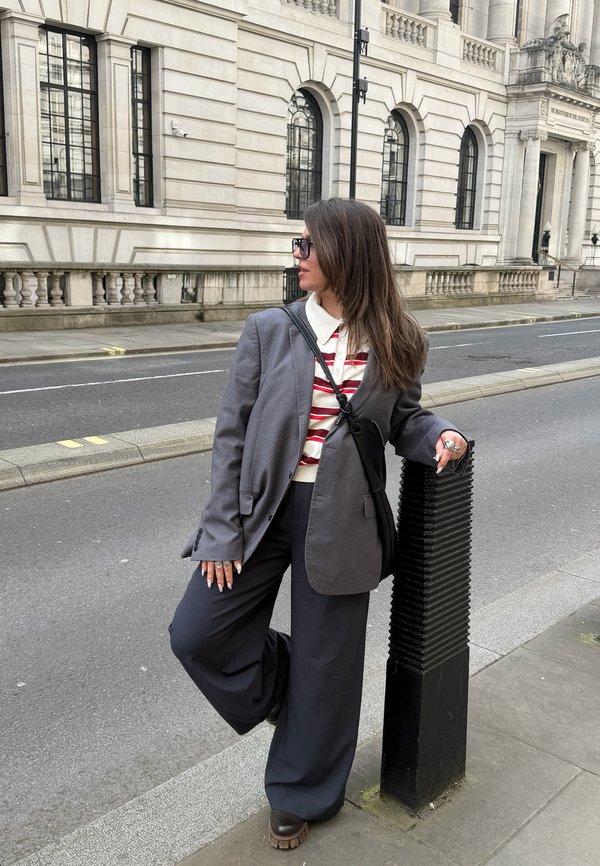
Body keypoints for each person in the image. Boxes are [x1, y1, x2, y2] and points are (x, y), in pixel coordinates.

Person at [169, 198, 469, 850]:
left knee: (329, 664)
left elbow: (403, 420)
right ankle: (289, 694)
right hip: (260, 513)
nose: (296, 255)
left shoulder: (398, 339)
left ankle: (299, 793)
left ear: (346, 254)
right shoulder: (268, 331)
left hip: (342, 518)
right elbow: (232, 437)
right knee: (197, 634)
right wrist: (221, 529)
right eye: (298, 244)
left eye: (308, 245)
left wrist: (440, 435)